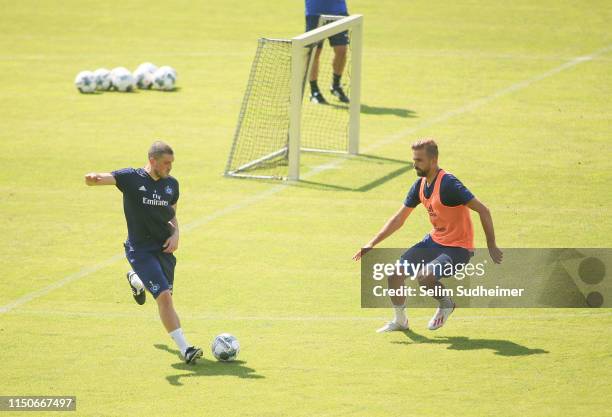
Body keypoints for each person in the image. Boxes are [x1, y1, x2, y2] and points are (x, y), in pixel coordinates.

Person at [353, 139, 503, 332]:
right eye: (414, 160)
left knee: (425, 277)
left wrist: (491, 244)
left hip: (458, 248)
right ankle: (400, 321)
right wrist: (372, 243)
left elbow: (484, 210)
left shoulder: (449, 184)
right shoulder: (420, 185)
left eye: (419, 160)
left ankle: (446, 303)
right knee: (394, 274)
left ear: (433, 160)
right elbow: (399, 219)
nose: (414, 164)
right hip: (435, 241)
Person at [84, 141, 203, 364]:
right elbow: (102, 178)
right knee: (165, 298)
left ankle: (137, 280)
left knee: (164, 295)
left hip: (164, 249)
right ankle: (186, 349)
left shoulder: (172, 185)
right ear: (152, 161)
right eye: (166, 163)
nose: (170, 167)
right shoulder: (132, 177)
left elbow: (171, 215)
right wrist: (92, 178)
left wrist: (176, 235)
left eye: (172, 163)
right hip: (140, 250)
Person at [305, 0, 350, 104]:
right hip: (314, 13)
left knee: (341, 51)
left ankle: (336, 85)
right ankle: (314, 91)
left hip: (339, 12)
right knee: (314, 52)